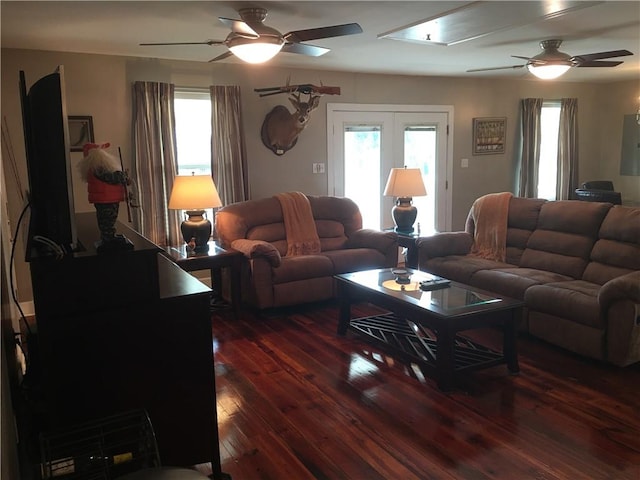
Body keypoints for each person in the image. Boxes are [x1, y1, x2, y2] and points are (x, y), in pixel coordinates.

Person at [77, 142, 132, 251]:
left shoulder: (96, 168)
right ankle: (108, 238)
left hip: (107, 198)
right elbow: (112, 177)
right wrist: (123, 175)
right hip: (106, 199)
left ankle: (109, 236)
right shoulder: (97, 168)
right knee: (107, 219)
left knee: (109, 219)